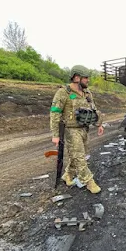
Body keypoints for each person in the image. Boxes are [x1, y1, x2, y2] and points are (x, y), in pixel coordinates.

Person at [50, 65, 104, 194]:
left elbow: (94, 109)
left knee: (81, 155)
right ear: (76, 77)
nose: (88, 80)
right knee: (79, 157)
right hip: (70, 130)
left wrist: (99, 124)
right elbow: (55, 113)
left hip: (84, 129)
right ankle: (89, 182)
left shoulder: (87, 92)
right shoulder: (63, 92)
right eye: (86, 78)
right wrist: (55, 134)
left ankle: (68, 175)